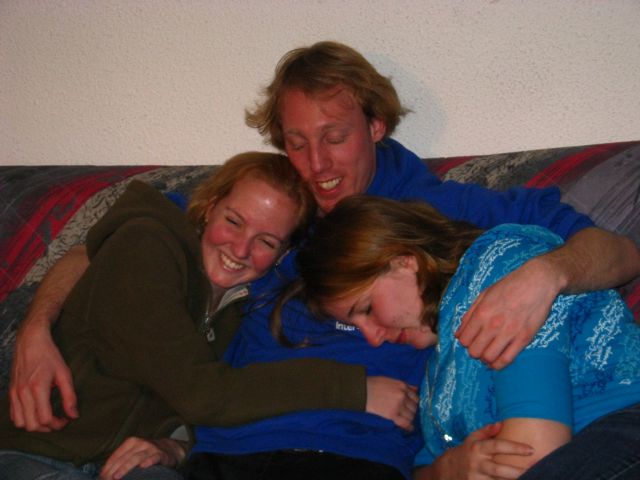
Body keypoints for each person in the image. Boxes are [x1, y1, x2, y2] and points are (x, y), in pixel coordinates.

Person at [9, 40, 640, 476]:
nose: (317, 167)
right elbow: (108, 243)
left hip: (348, 455)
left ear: (376, 126)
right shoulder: (270, 210)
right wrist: (36, 331)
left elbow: (620, 251)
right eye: (296, 143)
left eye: (335, 138)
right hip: (216, 450)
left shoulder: (449, 211)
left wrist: (545, 276)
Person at [0, 152, 416, 480]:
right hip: (37, 449)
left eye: (266, 241)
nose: (240, 249)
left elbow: (216, 404)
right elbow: (200, 392)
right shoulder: (148, 247)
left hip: (132, 461)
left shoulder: (248, 303)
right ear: (209, 206)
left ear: (284, 252)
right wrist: (353, 388)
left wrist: (176, 446)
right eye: (233, 221)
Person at [281, 194, 640, 480]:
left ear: (404, 261)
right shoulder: (438, 373)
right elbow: (424, 470)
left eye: (368, 309)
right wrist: (448, 469)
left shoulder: (500, 273)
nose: (373, 338)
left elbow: (532, 453)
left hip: (619, 431)